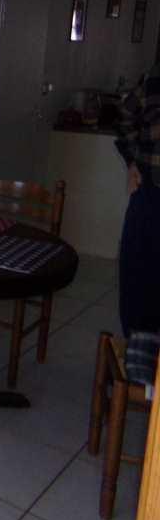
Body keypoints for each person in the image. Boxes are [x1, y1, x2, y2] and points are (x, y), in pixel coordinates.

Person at [115, 62, 160, 336]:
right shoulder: (154, 82)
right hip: (150, 192)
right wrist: (132, 161)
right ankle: (136, 345)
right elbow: (124, 116)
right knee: (137, 273)